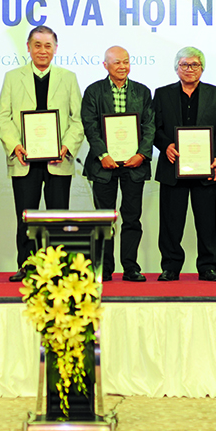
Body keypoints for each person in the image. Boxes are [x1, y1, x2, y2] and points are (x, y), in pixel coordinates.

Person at [0, 26, 84, 281]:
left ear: (55, 48)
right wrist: (15, 146)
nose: (42, 50)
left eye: (48, 45)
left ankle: (57, 268)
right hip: (25, 160)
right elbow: (2, 117)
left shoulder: (68, 77)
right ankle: (27, 266)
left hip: (58, 159)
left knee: (58, 217)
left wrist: (66, 146)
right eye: (37, 45)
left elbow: (77, 119)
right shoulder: (13, 77)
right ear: (28, 47)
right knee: (26, 217)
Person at [151, 47, 216, 281]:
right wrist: (165, 145)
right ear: (176, 68)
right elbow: (154, 129)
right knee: (170, 222)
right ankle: (170, 267)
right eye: (184, 64)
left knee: (206, 222)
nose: (189, 69)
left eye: (195, 64)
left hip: (206, 169)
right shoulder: (162, 94)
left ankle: (207, 267)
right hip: (172, 168)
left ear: (202, 68)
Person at [81, 46, 155, 282]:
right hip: (104, 165)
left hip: (134, 165)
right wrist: (102, 154)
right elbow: (90, 125)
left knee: (132, 218)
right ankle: (104, 267)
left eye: (126, 62)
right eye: (117, 62)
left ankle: (130, 267)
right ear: (105, 65)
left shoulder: (142, 91)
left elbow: (149, 126)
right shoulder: (93, 91)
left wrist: (142, 154)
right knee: (104, 219)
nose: (122, 66)